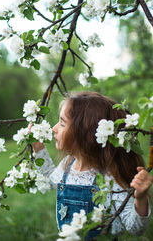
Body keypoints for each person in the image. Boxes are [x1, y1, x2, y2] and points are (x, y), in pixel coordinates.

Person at [32, 91, 152, 240]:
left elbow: (135, 229)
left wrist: (140, 199)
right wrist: (38, 150)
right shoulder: (68, 165)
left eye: (62, 123)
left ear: (84, 134)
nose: (54, 128)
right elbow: (50, 181)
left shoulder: (109, 178)